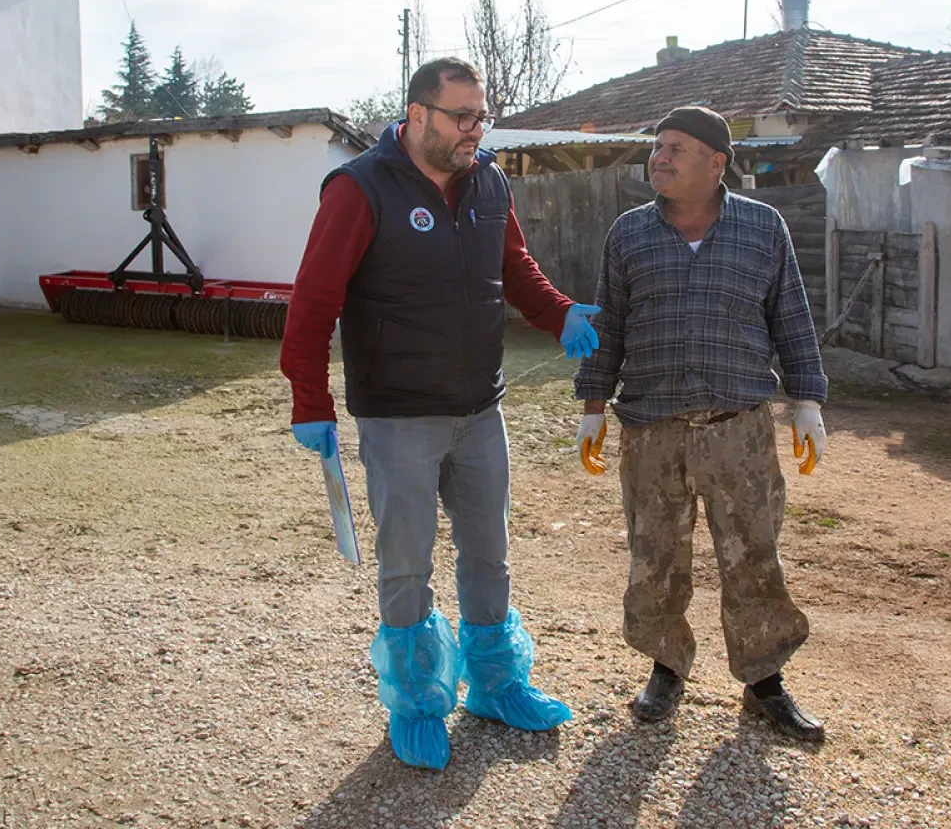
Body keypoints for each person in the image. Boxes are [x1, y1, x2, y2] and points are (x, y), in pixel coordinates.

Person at [280, 58, 600, 770]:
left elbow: (514, 267)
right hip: (398, 418)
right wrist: (310, 398)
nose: (475, 131)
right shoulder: (359, 189)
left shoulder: (488, 181)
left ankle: (495, 683)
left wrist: (560, 314)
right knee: (407, 566)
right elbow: (313, 302)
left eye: (481, 117)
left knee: (490, 554)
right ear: (418, 114)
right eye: (462, 117)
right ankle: (420, 702)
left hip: (479, 409)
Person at [573, 105, 829, 741]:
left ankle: (764, 682)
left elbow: (791, 319)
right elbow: (608, 327)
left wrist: (807, 401)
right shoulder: (629, 233)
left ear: (717, 163)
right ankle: (666, 670)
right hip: (652, 428)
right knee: (655, 556)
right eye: (656, 146)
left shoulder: (763, 228)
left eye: (675, 148)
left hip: (738, 426)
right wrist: (591, 407)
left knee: (754, 557)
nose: (658, 157)